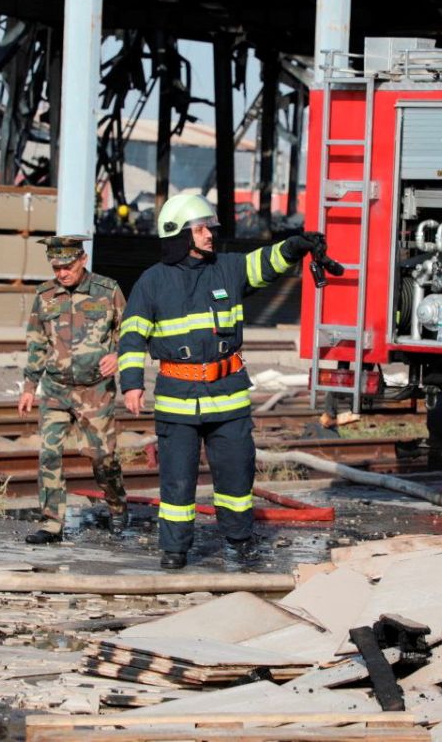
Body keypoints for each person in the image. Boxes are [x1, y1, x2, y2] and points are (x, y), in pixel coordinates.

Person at [118, 194, 327, 570]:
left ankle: (239, 542)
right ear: (180, 234)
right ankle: (175, 549)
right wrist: (132, 383)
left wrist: (295, 246)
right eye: (200, 229)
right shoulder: (152, 282)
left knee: (236, 477)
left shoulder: (228, 269)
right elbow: (132, 336)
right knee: (177, 484)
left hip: (228, 396)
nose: (209, 235)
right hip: (177, 400)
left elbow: (266, 262)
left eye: (209, 228)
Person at [18, 235, 129, 544]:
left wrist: (118, 356)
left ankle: (118, 507)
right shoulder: (45, 295)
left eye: (67, 266)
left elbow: (130, 331)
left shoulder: (108, 291)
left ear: (82, 260)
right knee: (49, 453)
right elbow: (36, 343)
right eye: (56, 267)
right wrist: (29, 386)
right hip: (55, 388)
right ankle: (52, 523)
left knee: (102, 457)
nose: (62, 273)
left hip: (95, 390)